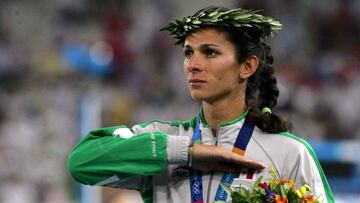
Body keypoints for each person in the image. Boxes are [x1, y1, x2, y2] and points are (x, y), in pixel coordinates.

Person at [67, 6, 334, 203]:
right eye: (188, 53)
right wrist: (186, 153)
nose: (193, 64)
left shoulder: (289, 153)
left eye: (210, 52)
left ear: (247, 66)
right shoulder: (164, 140)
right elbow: (81, 163)